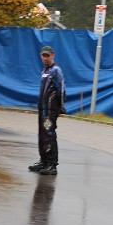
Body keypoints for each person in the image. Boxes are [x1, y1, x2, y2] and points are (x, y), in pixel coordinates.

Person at [29, 45, 65, 175]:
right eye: (43, 55)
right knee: (42, 135)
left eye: (47, 56)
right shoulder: (45, 71)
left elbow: (61, 89)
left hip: (50, 111)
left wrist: (61, 107)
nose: (45, 58)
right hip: (42, 110)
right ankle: (43, 161)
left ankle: (51, 164)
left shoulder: (56, 71)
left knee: (49, 135)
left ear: (53, 56)